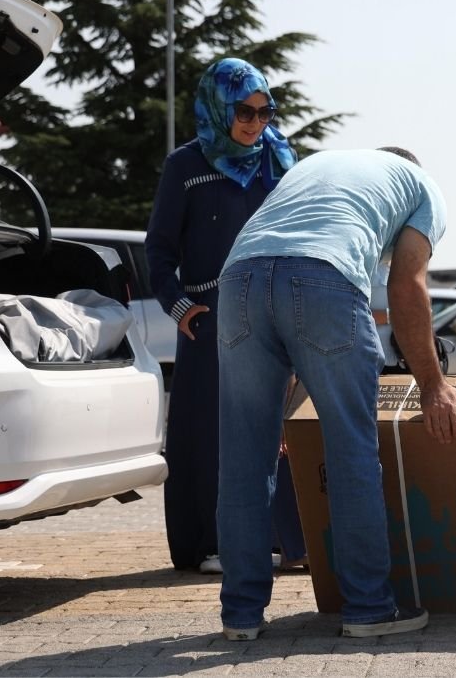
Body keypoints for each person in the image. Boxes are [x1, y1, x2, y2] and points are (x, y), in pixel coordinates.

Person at [214, 147, 456, 641]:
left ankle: (240, 615)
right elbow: (406, 286)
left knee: (246, 458)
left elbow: (278, 275)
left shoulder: (314, 170)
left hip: (238, 280)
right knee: (351, 451)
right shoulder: (424, 188)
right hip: (324, 277)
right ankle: (368, 609)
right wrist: (432, 384)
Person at [145, 58, 306, 574]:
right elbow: (159, 250)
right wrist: (179, 306)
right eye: (244, 110)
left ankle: (283, 540)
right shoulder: (185, 166)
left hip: (272, 311)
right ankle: (213, 543)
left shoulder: (280, 162)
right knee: (211, 431)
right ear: (219, 105)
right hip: (209, 319)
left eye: (265, 111)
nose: (255, 122)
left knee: (275, 425)